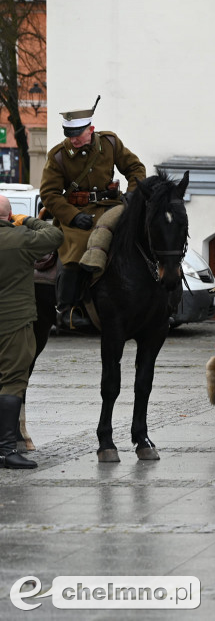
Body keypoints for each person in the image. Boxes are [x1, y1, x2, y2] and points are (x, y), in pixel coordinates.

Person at [39, 98, 147, 312]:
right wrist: (72, 216)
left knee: (140, 238)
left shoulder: (109, 143)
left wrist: (133, 194)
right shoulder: (58, 156)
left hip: (112, 206)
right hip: (77, 213)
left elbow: (135, 168)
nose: (73, 140)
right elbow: (49, 194)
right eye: (69, 135)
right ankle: (67, 308)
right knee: (77, 250)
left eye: (77, 134)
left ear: (91, 129)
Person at [0, 194, 63, 469]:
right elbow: (55, 235)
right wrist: (26, 220)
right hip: (14, 322)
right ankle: (6, 449)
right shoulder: (21, 238)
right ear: (9, 215)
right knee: (13, 379)